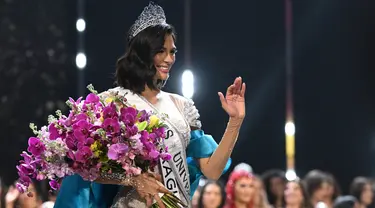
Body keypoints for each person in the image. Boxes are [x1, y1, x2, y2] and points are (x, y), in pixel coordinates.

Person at [55, 2, 246, 207]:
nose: (169, 59)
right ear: (142, 53)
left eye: (172, 52)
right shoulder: (112, 102)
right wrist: (133, 179)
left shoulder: (181, 105)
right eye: (160, 51)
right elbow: (84, 167)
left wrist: (235, 121)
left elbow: (212, 170)